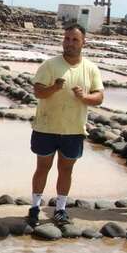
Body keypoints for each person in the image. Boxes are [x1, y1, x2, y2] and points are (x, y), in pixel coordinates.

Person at [26, 23, 104, 228]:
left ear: (83, 42)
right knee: (42, 167)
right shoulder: (50, 65)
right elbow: (38, 92)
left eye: (75, 40)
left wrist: (84, 96)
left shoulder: (91, 68)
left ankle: (60, 208)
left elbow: (99, 97)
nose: (70, 43)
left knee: (66, 169)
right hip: (46, 127)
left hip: (74, 130)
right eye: (67, 39)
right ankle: (34, 206)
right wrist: (53, 88)